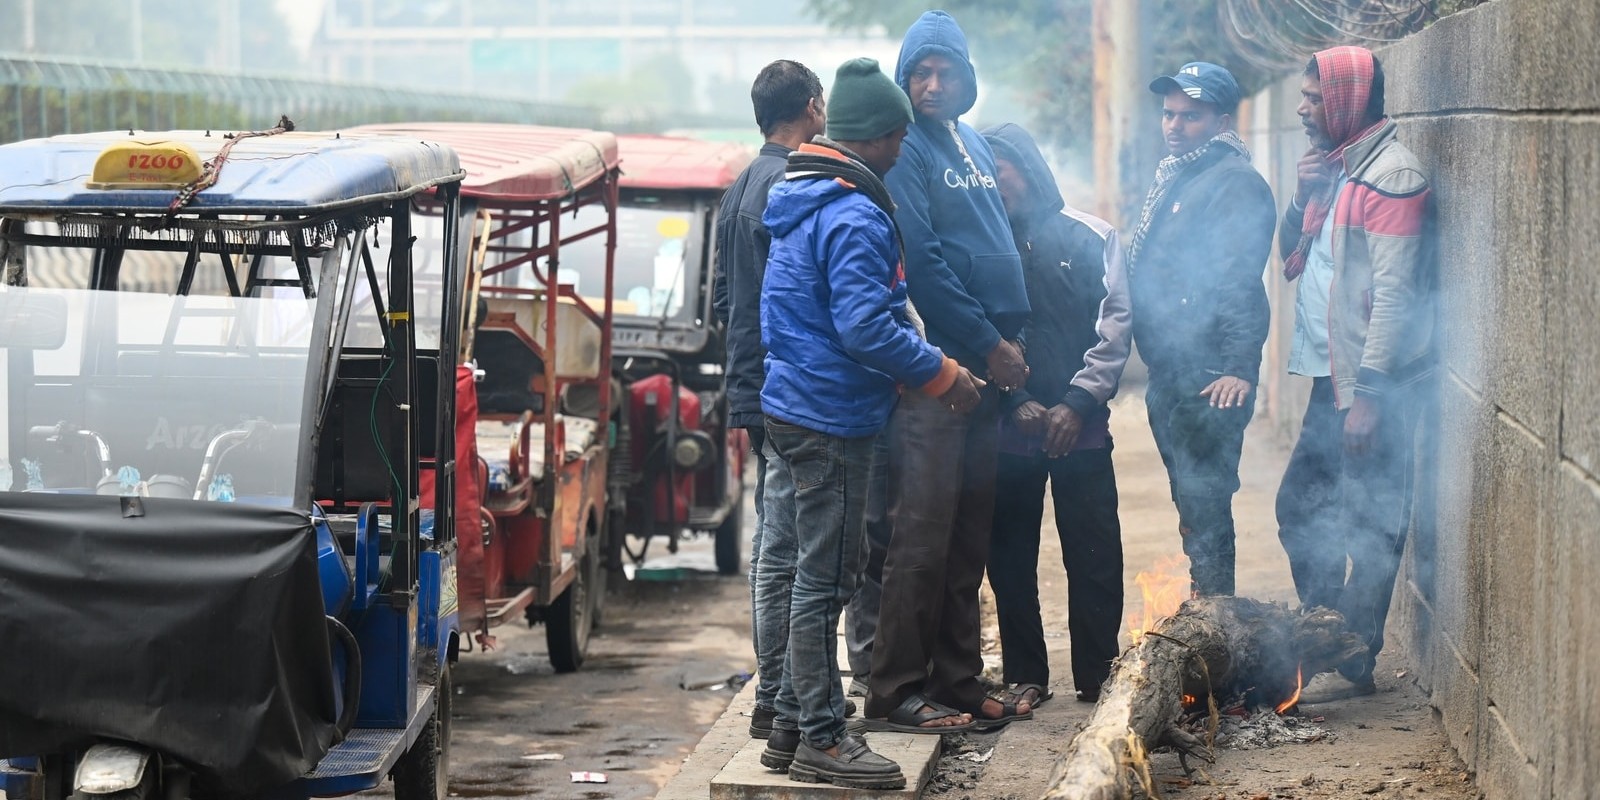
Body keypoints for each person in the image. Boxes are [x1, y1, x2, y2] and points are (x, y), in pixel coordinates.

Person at [757, 57, 985, 787]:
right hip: (832, 417)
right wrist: (943, 374)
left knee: (801, 575)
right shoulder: (854, 212)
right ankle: (824, 740)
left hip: (791, 403)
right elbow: (864, 328)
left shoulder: (805, 196)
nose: (904, 148)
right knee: (828, 581)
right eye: (899, 136)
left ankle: (792, 723)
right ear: (882, 138)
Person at [864, 9, 1034, 734]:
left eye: (947, 72)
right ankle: (896, 689)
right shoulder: (909, 152)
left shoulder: (968, 140)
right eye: (921, 74)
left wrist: (1008, 343)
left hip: (990, 368)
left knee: (968, 535)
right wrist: (990, 342)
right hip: (942, 370)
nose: (934, 86)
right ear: (905, 82)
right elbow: (926, 267)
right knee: (921, 537)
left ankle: (958, 679)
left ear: (969, 78)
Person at [1275, 46, 1433, 704]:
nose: (1303, 108)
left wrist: (1369, 396)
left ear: (1346, 100)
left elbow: (1394, 297)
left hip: (1371, 388)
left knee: (1373, 516)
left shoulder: (1391, 176)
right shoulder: (1341, 170)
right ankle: (1337, 636)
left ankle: (1348, 642)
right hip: (1330, 377)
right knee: (1300, 508)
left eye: (1314, 98)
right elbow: (1289, 257)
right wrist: (1305, 194)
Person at [980, 122, 1132, 707]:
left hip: (1083, 429)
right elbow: (976, 331)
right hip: (1010, 429)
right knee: (1011, 557)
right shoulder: (980, 246)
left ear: (1028, 166)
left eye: (1001, 168)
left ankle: (1099, 674)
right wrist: (1013, 400)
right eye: (983, 172)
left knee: (1094, 553)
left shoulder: (1091, 236)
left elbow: (1115, 328)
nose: (994, 182)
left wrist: (1076, 402)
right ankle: (1027, 676)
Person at [1127, 61, 1276, 597]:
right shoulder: (1185, 172)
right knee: (1192, 504)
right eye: (1168, 115)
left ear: (1220, 119)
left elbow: (1239, 280)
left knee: (1206, 503)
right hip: (1175, 369)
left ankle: (1216, 618)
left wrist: (1239, 366)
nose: (1174, 126)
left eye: (1190, 117)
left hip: (1208, 376)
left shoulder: (1233, 182)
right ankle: (1208, 609)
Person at [709, 59, 826, 740]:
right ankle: (781, 702)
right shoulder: (788, 186)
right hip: (785, 391)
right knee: (789, 553)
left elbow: (728, 305)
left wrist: (743, 395)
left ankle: (772, 695)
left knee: (772, 550)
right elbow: (763, 309)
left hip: (758, 389)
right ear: (811, 108)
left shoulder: (738, 189)